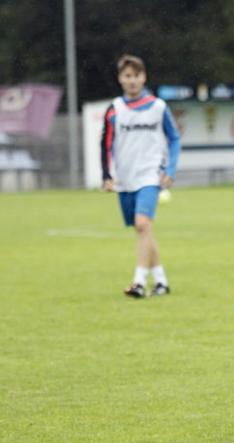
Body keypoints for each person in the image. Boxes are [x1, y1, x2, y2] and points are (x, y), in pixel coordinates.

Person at [101, 54, 181, 298]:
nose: (132, 80)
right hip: (125, 179)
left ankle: (138, 282)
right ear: (120, 79)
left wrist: (169, 171)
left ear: (143, 77)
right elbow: (105, 144)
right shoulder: (114, 109)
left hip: (150, 175)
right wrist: (107, 175)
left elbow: (174, 138)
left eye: (136, 75)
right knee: (143, 230)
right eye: (127, 76)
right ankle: (161, 281)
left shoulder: (158, 106)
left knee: (142, 223)